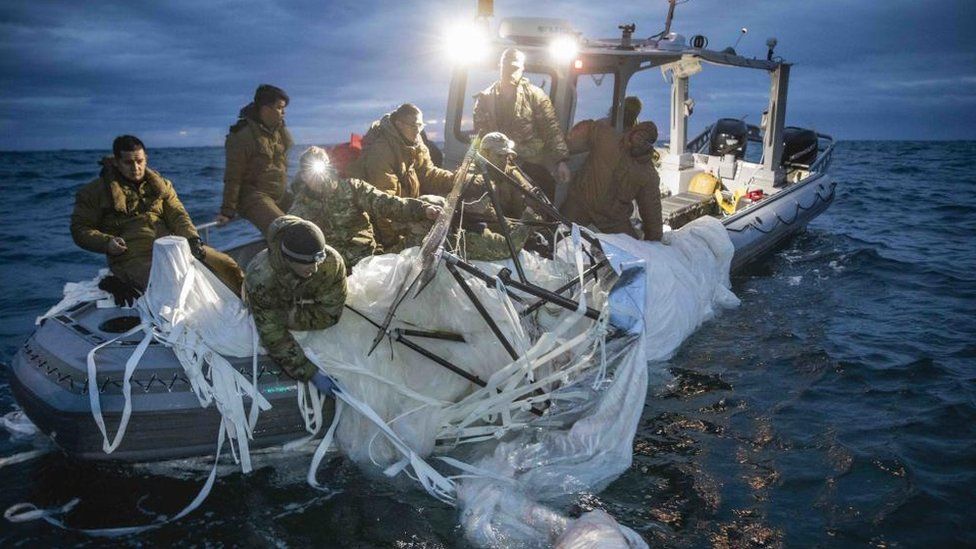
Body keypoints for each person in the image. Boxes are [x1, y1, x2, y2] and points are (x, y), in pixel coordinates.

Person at [70, 135, 244, 304]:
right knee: (170, 286)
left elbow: (178, 214)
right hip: (130, 256)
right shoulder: (94, 192)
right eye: (128, 162)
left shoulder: (161, 185)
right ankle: (118, 281)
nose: (136, 167)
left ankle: (250, 307)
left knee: (227, 265)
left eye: (139, 161)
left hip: (171, 246)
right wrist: (107, 243)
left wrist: (193, 240)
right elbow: (80, 229)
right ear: (116, 162)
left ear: (146, 158)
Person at [289, 147, 442, 271]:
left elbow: (387, 204)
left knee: (426, 227)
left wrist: (422, 209)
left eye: (320, 170)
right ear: (302, 176)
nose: (317, 178)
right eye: (309, 172)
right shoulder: (299, 208)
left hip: (369, 261)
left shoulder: (352, 188)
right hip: (332, 272)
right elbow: (289, 240)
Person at [244, 216, 345, 392]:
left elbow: (331, 314)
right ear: (289, 259)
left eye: (317, 261)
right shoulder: (261, 278)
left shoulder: (330, 262)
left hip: (294, 305)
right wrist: (309, 372)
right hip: (270, 302)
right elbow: (273, 334)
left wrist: (291, 315)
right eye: (306, 264)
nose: (314, 269)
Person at [348, 103, 455, 251]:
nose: (417, 130)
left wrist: (456, 180)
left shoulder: (414, 144)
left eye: (420, 125)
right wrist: (392, 244)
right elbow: (383, 204)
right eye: (413, 125)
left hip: (404, 211)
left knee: (442, 206)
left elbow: (428, 174)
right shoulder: (381, 152)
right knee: (427, 226)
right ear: (399, 124)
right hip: (386, 223)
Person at [472, 48, 571, 201]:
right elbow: (479, 137)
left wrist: (561, 161)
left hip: (530, 163)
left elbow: (551, 129)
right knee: (483, 197)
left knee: (542, 201)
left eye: (515, 67)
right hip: (497, 165)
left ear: (523, 68)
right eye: (507, 67)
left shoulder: (536, 96)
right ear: (500, 66)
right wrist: (477, 162)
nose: (510, 71)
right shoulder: (485, 99)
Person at [561, 120, 663, 241]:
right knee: (556, 233)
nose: (641, 140)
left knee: (632, 252)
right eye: (640, 135)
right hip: (581, 202)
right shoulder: (608, 137)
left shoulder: (648, 174)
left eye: (647, 140)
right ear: (633, 132)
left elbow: (652, 207)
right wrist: (562, 151)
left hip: (612, 219)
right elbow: (589, 128)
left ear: (650, 145)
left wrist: (654, 238)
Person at [216, 84, 294, 234]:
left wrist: (281, 126)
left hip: (279, 194)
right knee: (286, 230)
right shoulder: (242, 135)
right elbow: (233, 175)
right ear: (265, 109)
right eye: (279, 108)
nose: (283, 113)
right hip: (253, 197)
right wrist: (227, 211)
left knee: (312, 218)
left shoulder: (278, 132)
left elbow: (288, 148)